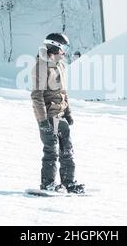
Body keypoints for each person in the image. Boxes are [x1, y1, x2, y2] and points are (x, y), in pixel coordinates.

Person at [30, 33, 85, 194]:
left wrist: (68, 112)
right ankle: (48, 184)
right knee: (51, 151)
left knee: (67, 150)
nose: (65, 53)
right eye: (63, 49)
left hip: (60, 115)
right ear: (55, 47)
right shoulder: (41, 66)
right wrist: (42, 122)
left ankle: (69, 182)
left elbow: (63, 90)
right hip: (48, 116)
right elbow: (37, 96)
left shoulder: (60, 64)